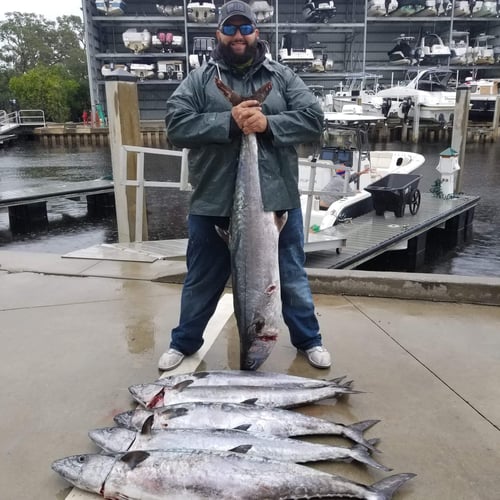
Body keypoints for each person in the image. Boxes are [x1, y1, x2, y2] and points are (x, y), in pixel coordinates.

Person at [159, 0, 331, 371]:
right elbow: (175, 124)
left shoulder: (283, 77)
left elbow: (314, 119)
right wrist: (229, 122)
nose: (238, 36)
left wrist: (267, 124)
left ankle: (309, 340)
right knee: (201, 280)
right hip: (211, 200)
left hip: (276, 200)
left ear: (257, 32)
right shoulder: (198, 80)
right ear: (218, 33)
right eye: (231, 29)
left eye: (245, 28)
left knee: (291, 278)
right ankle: (184, 342)